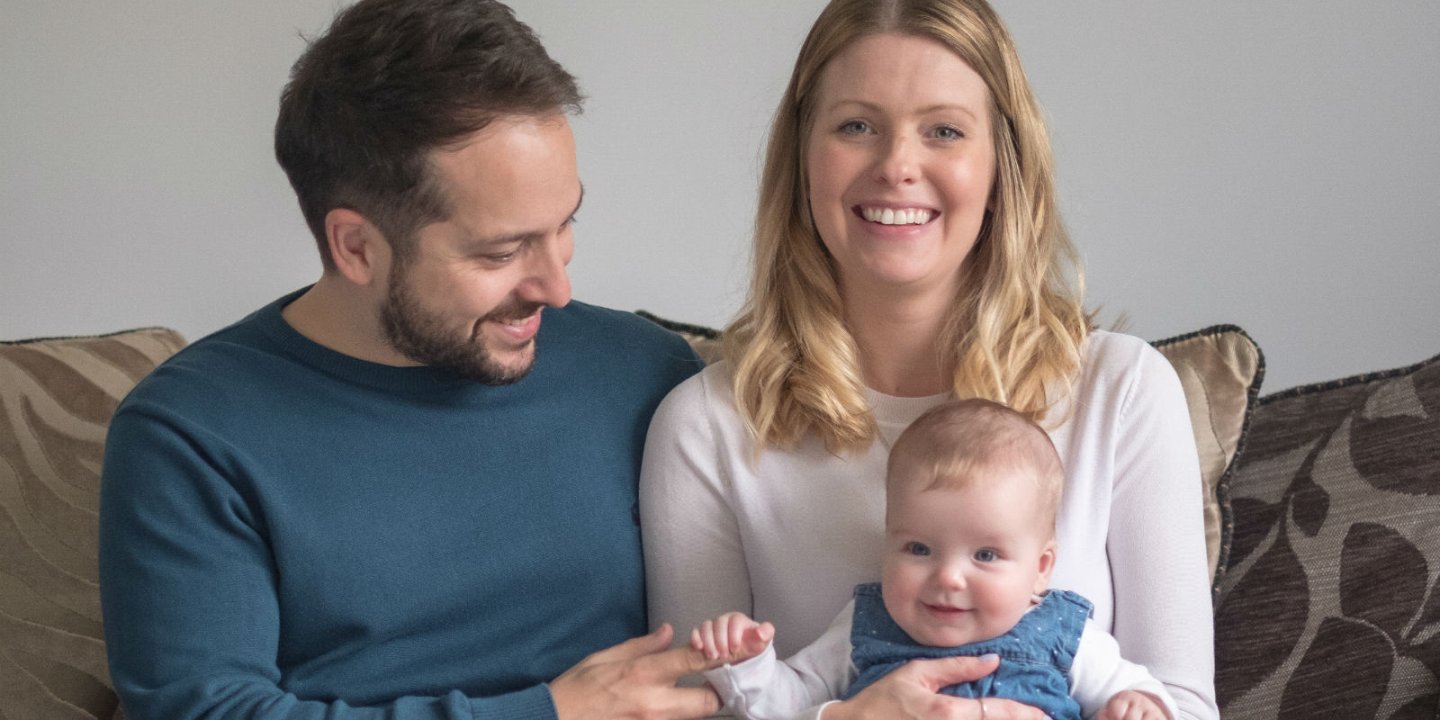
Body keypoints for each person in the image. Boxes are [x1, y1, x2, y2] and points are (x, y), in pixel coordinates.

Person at [98, 1, 721, 718]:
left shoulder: (645, 374)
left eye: (565, 225)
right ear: (356, 247)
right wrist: (548, 714)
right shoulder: (193, 433)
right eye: (501, 250)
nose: (557, 287)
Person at [639, 0, 1220, 718]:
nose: (896, 167)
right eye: (856, 126)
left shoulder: (1124, 392)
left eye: (944, 130)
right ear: (802, 156)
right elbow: (695, 708)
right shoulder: (706, 427)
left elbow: (1183, 708)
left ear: (1001, 165)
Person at [688, 399, 1177, 720]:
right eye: (918, 549)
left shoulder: (1065, 634)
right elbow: (790, 704)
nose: (947, 577)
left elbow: (1148, 695)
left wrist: (1139, 707)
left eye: (986, 554)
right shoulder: (867, 624)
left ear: (1041, 568)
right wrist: (747, 664)